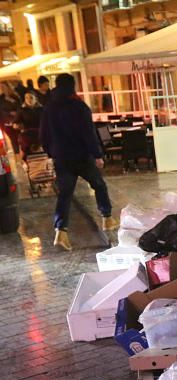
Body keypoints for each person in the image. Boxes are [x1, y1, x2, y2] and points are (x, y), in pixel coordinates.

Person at [40, 73, 112, 251]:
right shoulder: (79, 107)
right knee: (99, 185)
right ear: (73, 86)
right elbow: (89, 133)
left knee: (65, 194)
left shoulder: (49, 108)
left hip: (62, 159)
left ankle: (60, 231)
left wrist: (52, 152)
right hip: (82, 157)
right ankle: (107, 218)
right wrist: (97, 155)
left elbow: (43, 135)